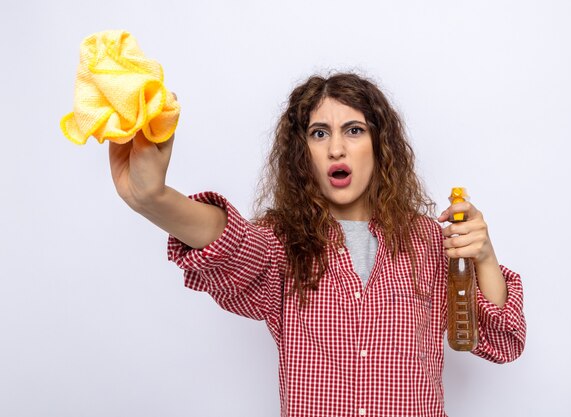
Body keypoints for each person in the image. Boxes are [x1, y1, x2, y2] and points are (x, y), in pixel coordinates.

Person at [109, 72, 526, 416]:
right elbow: (230, 243)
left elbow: (503, 341)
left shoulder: (430, 243)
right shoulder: (282, 242)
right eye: (319, 133)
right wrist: (155, 199)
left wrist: (484, 257)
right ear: (301, 152)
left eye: (354, 130)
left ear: (381, 147)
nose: (337, 148)